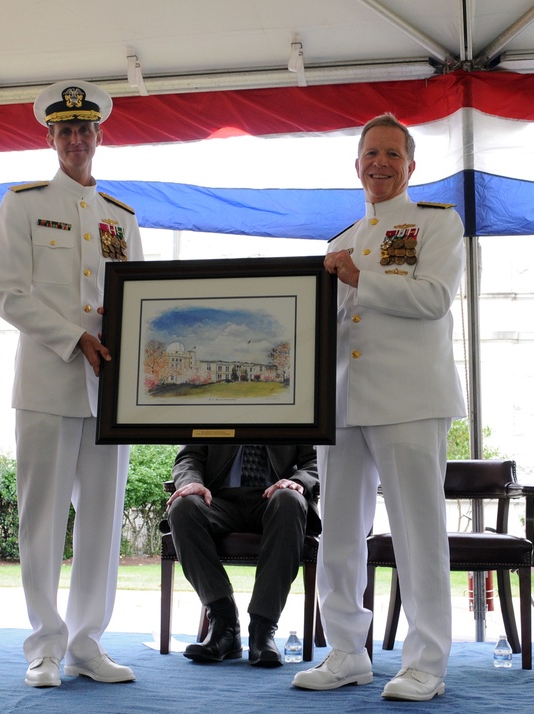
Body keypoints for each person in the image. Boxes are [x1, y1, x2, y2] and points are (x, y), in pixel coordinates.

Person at [292, 113, 466, 702]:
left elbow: (436, 298)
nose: (381, 164)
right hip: (342, 401)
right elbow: (330, 326)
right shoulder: (341, 240)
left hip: (410, 399)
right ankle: (346, 650)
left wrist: (361, 277)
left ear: (411, 166)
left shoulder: (436, 224)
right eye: (371, 154)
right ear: (357, 164)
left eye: (393, 154)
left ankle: (426, 661)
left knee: (419, 534)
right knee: (338, 534)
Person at [0, 79, 143, 688]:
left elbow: (138, 300)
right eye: (65, 130)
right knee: (44, 520)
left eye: (85, 129)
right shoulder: (22, 204)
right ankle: (45, 646)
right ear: (50, 137)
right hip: (49, 385)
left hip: (109, 391)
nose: (76, 139)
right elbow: (8, 294)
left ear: (100, 137)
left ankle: (86, 643)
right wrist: (74, 337)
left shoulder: (121, 218)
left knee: (102, 521)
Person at [166, 444, 320, 667]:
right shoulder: (212, 408)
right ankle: (224, 623)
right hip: (218, 500)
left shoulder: (295, 411)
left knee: (290, 499)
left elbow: (316, 460)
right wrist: (192, 482)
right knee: (182, 507)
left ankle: (263, 628)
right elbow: (188, 457)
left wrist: (298, 481)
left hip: (276, 499)